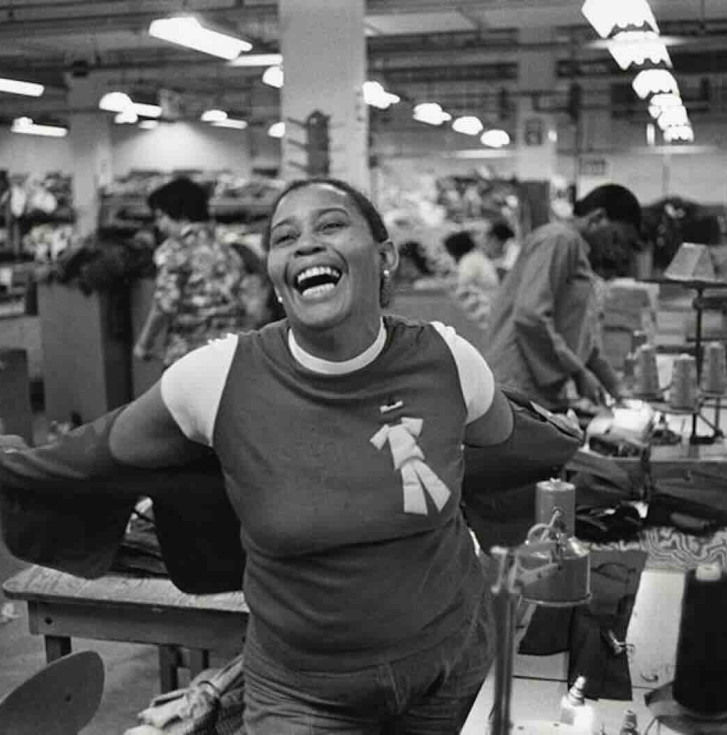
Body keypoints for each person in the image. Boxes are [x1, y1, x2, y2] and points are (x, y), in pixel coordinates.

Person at [0, 177, 577, 735]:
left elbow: (510, 443)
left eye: (331, 225)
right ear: (277, 279)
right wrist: (12, 464)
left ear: (385, 258)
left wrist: (572, 441)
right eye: (283, 237)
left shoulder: (449, 361)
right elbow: (94, 454)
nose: (306, 243)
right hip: (304, 694)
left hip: (450, 666)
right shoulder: (217, 378)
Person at [485, 183, 642, 411]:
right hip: (516, 383)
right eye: (617, 238)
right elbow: (530, 315)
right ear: (597, 218)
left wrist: (615, 387)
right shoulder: (560, 239)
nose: (616, 250)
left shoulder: (577, 253)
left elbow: (581, 339)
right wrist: (578, 373)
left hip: (532, 389)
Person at [133, 177, 246, 368]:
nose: (159, 225)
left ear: (180, 214)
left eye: (161, 217)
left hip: (189, 355)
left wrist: (144, 343)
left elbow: (164, 305)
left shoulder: (174, 250)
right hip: (230, 354)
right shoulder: (228, 250)